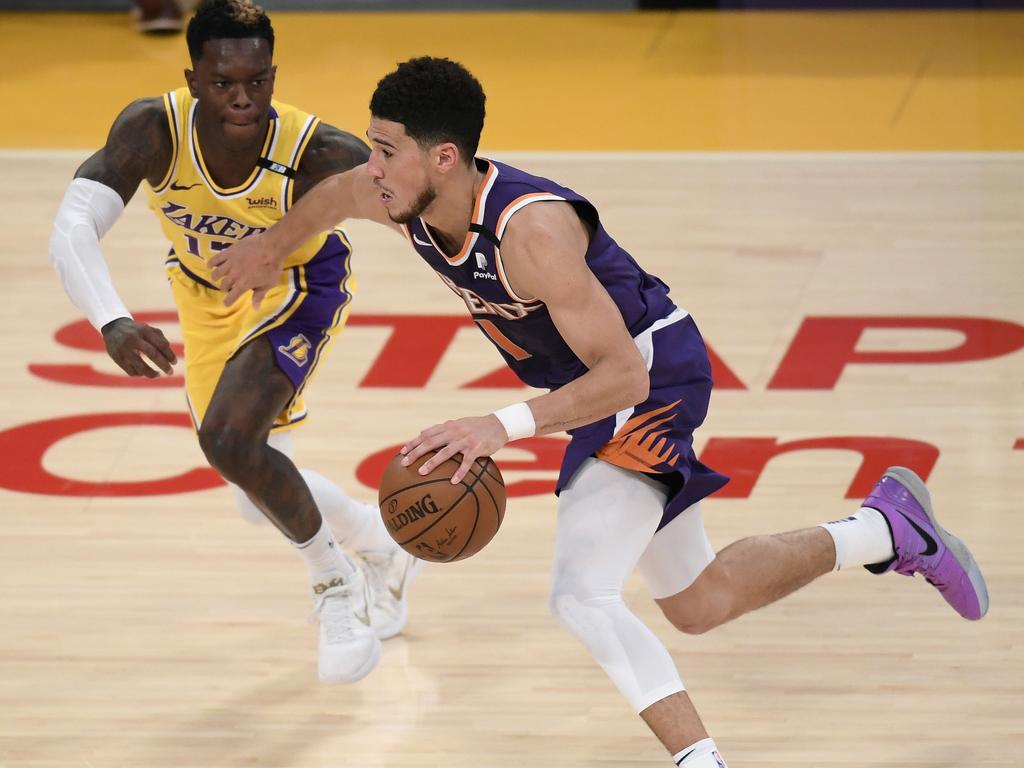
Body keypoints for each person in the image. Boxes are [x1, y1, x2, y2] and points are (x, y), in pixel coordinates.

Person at [209, 56, 990, 765]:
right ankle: (888, 528)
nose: (369, 165)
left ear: (443, 159)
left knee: (580, 595)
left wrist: (498, 427)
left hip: (646, 379)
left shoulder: (532, 234)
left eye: (385, 149)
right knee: (698, 601)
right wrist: (270, 248)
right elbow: (335, 198)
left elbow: (619, 378)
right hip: (590, 387)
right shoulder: (396, 194)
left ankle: (702, 761)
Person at [47, 0, 423, 686]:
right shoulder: (151, 130)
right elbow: (73, 226)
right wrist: (111, 318)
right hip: (204, 296)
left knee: (227, 441)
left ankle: (334, 586)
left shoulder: (319, 151)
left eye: (257, 81)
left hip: (299, 289)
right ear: (193, 79)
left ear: (274, 75)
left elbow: (425, 216)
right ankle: (378, 541)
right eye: (224, 83)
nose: (242, 100)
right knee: (254, 493)